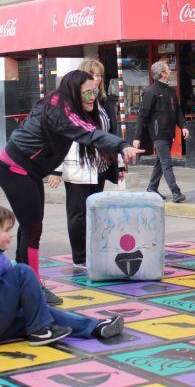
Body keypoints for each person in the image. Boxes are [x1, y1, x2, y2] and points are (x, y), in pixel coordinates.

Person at [0, 70, 143, 304]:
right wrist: (122, 145)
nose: (92, 97)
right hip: (15, 168)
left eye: (95, 91)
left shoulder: (64, 103)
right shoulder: (61, 110)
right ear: (74, 92)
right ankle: (32, 286)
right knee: (33, 228)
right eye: (87, 93)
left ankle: (22, 277)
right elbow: (90, 134)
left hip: (28, 170)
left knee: (30, 225)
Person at [0, 204, 124, 353]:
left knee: (38, 311)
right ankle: (40, 330)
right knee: (22, 271)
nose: (11, 235)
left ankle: (95, 328)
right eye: (6, 230)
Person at [49, 59, 124, 268]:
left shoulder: (104, 103)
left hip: (99, 164)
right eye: (92, 75)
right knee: (78, 214)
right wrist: (56, 169)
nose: (97, 79)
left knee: (95, 210)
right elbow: (60, 137)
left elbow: (111, 133)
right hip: (77, 165)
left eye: (99, 75)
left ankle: (95, 250)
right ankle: (80, 257)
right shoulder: (70, 104)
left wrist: (119, 163)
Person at [133, 60, 189, 203]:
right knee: (166, 162)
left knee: (160, 162)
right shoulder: (150, 92)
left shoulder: (171, 91)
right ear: (162, 73)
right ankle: (176, 192)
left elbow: (177, 111)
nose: (170, 71)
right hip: (158, 134)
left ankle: (152, 187)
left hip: (169, 132)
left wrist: (183, 126)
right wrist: (137, 137)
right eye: (168, 69)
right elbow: (142, 115)